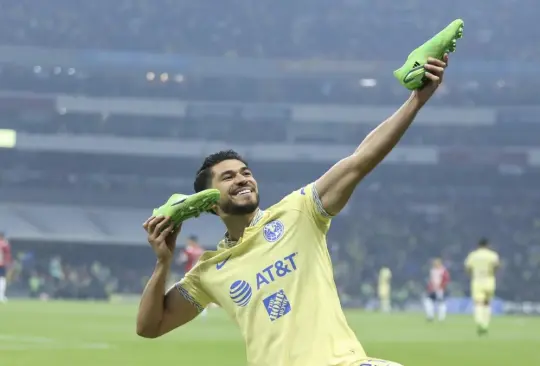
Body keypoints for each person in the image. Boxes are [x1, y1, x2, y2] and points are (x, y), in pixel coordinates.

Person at [137, 36, 458, 366]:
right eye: (228, 177)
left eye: (245, 172)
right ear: (209, 203)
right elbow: (150, 326)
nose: (243, 179)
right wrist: (163, 263)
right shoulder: (208, 271)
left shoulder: (299, 211)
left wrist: (415, 101)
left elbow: (359, 160)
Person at [465, 238, 500, 336]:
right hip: (489, 280)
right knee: (487, 303)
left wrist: (472, 274)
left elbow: (468, 267)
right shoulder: (492, 255)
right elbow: (497, 266)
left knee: (478, 303)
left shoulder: (473, 255)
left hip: (477, 280)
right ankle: (486, 323)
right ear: (488, 245)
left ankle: (480, 322)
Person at [0, 232, 12, 303]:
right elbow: (7, 251)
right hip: (1, 264)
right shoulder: (3, 244)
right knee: (2, 280)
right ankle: (1, 296)